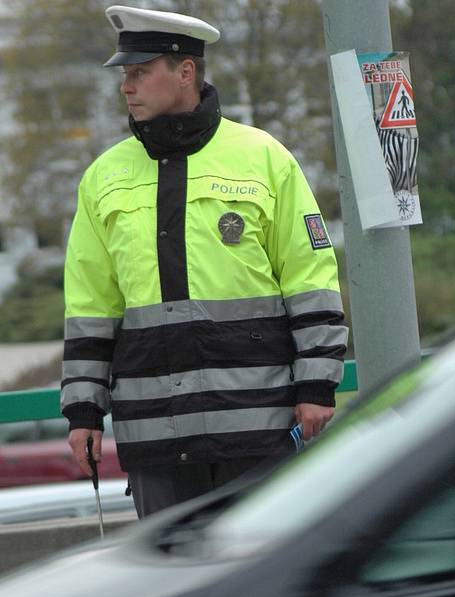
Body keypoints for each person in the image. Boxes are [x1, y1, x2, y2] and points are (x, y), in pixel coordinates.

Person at [61, 5, 348, 518]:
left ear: (185, 71)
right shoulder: (102, 178)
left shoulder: (265, 158)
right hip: (156, 436)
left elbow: (311, 277)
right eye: (125, 75)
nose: (126, 87)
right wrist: (83, 409)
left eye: (139, 72)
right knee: (169, 585)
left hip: (256, 427)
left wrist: (317, 383)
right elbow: (91, 303)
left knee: (261, 577)